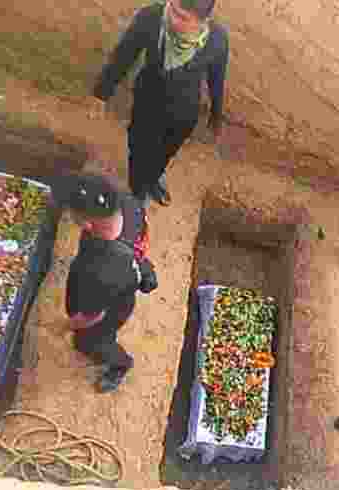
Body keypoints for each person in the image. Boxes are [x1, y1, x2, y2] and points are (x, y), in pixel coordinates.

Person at [92, 0, 229, 207]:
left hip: (183, 112)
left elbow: (216, 80)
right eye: (171, 8)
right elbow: (123, 55)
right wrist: (101, 94)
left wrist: (216, 115)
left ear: (202, 22)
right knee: (138, 149)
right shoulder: (151, 17)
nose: (171, 18)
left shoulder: (217, 40)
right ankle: (138, 189)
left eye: (182, 17)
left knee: (165, 152)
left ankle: (153, 179)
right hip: (146, 101)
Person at [60, 174, 159, 393]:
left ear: (86, 224)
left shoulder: (97, 270)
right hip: (126, 279)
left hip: (111, 307)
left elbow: (92, 316)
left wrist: (66, 326)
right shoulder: (130, 204)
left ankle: (120, 365)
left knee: (93, 342)